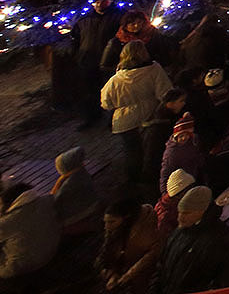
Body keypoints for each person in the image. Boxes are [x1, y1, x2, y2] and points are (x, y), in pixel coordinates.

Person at [100, 41, 172, 185]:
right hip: (149, 116)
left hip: (124, 123)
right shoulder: (154, 69)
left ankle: (132, 182)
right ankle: (150, 181)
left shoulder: (116, 79)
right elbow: (165, 93)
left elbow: (106, 103)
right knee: (150, 151)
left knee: (131, 153)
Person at [154, 185, 229, 294]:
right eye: (180, 212)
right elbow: (161, 266)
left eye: (186, 213)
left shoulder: (218, 237)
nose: (180, 217)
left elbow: (225, 277)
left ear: (201, 211)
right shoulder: (178, 232)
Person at [96, 198, 161, 294]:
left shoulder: (147, 227)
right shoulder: (115, 230)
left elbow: (152, 255)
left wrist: (128, 276)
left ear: (126, 217)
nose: (107, 226)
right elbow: (108, 253)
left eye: (111, 222)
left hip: (143, 279)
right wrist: (112, 273)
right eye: (106, 222)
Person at [52, 146, 101, 236]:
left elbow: (54, 201)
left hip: (78, 214)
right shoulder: (82, 174)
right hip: (92, 205)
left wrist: (58, 183)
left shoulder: (69, 185)